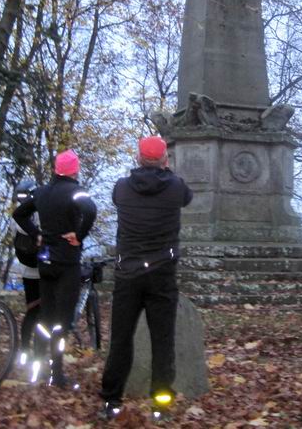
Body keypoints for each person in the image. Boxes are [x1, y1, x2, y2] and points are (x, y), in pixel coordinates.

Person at [100, 136, 193, 421]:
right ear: (165, 159)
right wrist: (167, 170)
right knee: (162, 341)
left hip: (128, 273)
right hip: (161, 274)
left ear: (138, 159)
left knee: (121, 340)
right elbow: (187, 197)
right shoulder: (176, 187)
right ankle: (161, 405)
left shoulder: (122, 188)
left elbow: (120, 197)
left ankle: (111, 401)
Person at [12, 150, 97, 388]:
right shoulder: (74, 191)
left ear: (55, 169)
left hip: (45, 262)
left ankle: (37, 368)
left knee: (44, 318)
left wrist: (37, 233)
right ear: (74, 170)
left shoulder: (41, 192)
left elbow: (19, 214)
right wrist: (78, 236)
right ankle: (56, 374)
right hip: (67, 264)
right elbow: (90, 210)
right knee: (62, 321)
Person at [12, 179, 41, 368]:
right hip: (39, 269)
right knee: (42, 313)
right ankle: (37, 354)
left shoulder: (16, 215)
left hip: (27, 270)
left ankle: (24, 350)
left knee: (31, 311)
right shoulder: (37, 213)